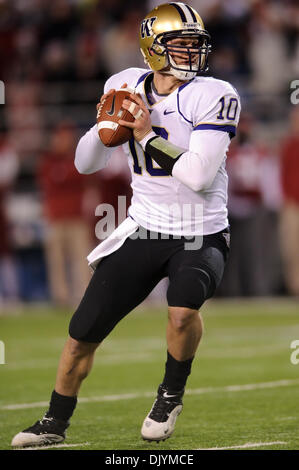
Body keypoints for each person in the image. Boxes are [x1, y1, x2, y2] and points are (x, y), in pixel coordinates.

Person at [12, 2, 240, 447]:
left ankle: (170, 393)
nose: (192, 53)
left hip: (201, 227)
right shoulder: (123, 84)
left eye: (197, 44)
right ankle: (54, 423)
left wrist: (144, 135)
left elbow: (197, 175)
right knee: (82, 332)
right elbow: (85, 164)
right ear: (153, 50)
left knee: (182, 309)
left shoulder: (214, 93)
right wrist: (106, 130)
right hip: (144, 225)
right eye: (181, 45)